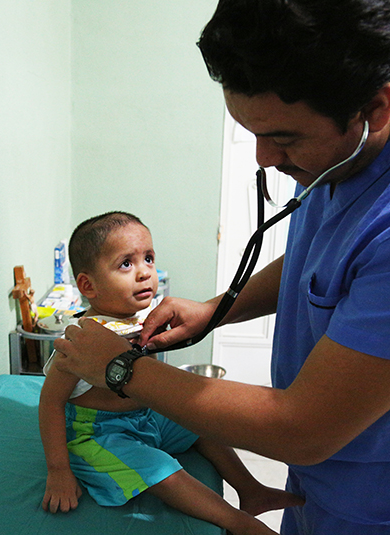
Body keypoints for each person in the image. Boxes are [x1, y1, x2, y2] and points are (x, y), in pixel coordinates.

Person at [51, 1, 390, 535]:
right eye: (252, 132)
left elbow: (303, 429)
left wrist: (122, 369)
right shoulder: (353, 149)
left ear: (375, 106)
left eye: (283, 138)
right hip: (325, 471)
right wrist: (216, 311)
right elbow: (329, 260)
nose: (264, 159)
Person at [39, 211, 302, 535]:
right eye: (126, 264)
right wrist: (58, 470)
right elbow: (50, 402)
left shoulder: (140, 321)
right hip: (99, 435)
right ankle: (237, 522)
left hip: (146, 417)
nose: (144, 273)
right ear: (87, 285)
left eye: (148, 258)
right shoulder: (80, 339)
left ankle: (251, 490)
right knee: (159, 467)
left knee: (199, 420)